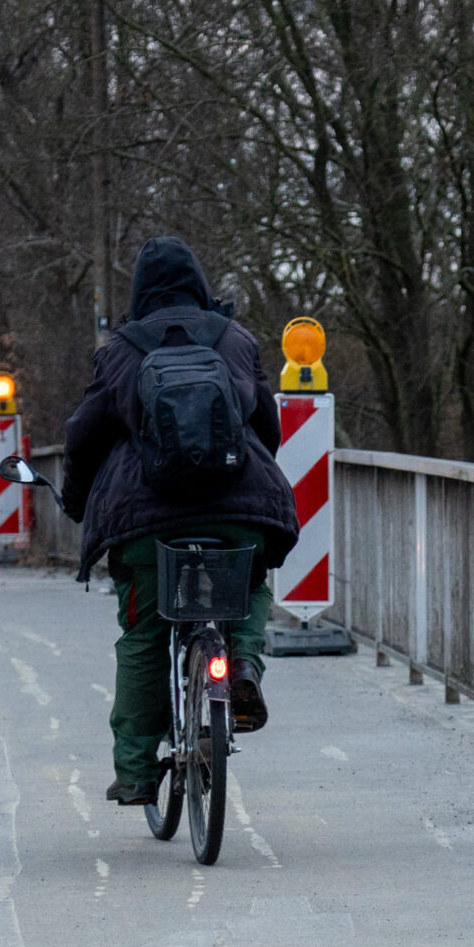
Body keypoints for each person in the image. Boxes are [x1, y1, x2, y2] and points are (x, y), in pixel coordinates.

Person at [59, 237, 300, 805]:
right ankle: (240, 663)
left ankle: (140, 772)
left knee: (143, 633)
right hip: (238, 509)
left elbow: (82, 437)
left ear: (140, 291)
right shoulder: (235, 340)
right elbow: (267, 425)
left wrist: (77, 503)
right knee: (248, 586)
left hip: (147, 524)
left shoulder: (121, 350)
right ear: (200, 283)